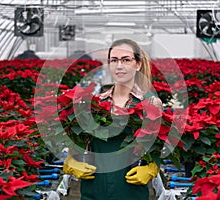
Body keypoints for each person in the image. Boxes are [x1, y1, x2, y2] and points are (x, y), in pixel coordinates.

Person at [63, 38, 163, 200]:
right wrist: (70, 162)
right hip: (94, 189)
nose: (119, 65)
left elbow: (159, 146)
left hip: (130, 191)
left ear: (138, 65)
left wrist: (152, 167)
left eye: (126, 60)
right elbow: (77, 142)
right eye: (114, 60)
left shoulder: (151, 103)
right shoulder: (95, 103)